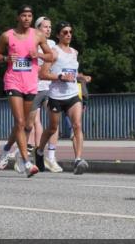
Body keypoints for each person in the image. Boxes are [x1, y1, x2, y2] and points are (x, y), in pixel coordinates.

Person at [0, 6, 54, 177]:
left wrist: (39, 55)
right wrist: (5, 58)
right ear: (18, 17)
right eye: (24, 15)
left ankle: (6, 150)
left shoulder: (38, 35)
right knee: (19, 121)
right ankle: (27, 162)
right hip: (13, 81)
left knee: (26, 124)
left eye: (29, 16)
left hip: (31, 83)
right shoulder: (7, 35)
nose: (27, 18)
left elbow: (51, 56)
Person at [36, 21, 93, 174]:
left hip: (73, 94)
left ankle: (78, 160)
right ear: (58, 35)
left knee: (77, 126)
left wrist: (82, 77)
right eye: (65, 32)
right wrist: (60, 77)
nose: (68, 35)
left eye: (70, 32)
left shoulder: (74, 52)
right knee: (53, 128)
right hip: (56, 96)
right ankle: (40, 152)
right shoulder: (53, 52)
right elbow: (42, 74)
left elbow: (72, 74)